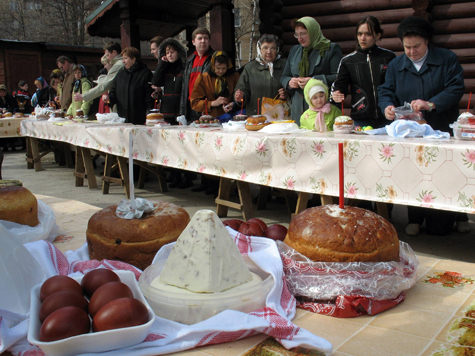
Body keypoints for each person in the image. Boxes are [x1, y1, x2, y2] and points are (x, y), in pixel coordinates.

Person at [378, 16, 468, 236]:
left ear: (427, 41)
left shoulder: (446, 59)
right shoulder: (397, 65)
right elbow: (385, 90)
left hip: (441, 128)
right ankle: (415, 217)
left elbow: (456, 88)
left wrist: (430, 103)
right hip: (412, 132)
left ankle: (457, 215)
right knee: (414, 171)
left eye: (416, 46)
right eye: (407, 47)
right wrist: (387, 106)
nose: (411, 51)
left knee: (446, 173)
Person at [331, 16, 396, 128]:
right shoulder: (348, 61)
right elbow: (339, 86)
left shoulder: (389, 57)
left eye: (368, 34)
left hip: (388, 117)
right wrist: (336, 94)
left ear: (378, 35)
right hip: (361, 119)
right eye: (360, 34)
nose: (363, 38)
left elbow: (396, 85)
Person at [281, 16, 342, 125]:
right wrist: (290, 82)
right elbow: (284, 76)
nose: (300, 38)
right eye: (297, 34)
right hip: (298, 110)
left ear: (313, 31)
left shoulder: (330, 49)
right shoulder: (295, 51)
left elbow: (338, 76)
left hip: (323, 110)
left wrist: (314, 81)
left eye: (303, 33)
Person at [234, 34, 288, 116]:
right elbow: (242, 90)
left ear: (277, 50)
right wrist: (240, 96)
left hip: (279, 117)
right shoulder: (250, 68)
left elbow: (293, 88)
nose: (268, 51)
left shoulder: (285, 66)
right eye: (265, 48)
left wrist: (287, 93)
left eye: (272, 48)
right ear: (259, 50)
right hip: (255, 116)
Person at [104, 47, 153, 125]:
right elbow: (114, 91)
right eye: (123, 59)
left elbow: (149, 97)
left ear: (133, 59)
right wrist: (109, 98)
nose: (123, 61)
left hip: (139, 118)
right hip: (122, 118)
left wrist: (148, 114)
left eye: (125, 58)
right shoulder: (121, 74)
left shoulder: (145, 74)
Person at [73, 42, 124, 113]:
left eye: (108, 55)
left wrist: (83, 96)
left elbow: (104, 86)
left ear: (114, 52)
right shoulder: (118, 64)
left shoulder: (118, 65)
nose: (108, 58)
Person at [190, 51, 240, 118]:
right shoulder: (204, 78)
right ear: (213, 66)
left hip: (231, 117)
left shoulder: (234, 77)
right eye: (218, 68)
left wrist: (233, 104)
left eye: (224, 68)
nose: (221, 71)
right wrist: (212, 103)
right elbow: (194, 103)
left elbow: (241, 96)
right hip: (211, 119)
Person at [180, 28, 214, 123]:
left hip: (206, 108)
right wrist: (182, 113)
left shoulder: (215, 59)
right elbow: (184, 88)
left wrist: (207, 106)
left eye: (205, 38)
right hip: (190, 107)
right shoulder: (189, 61)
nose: (203, 41)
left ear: (209, 41)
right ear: (193, 42)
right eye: (200, 38)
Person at [152, 38, 186, 124]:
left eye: (172, 52)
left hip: (181, 111)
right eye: (167, 53)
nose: (170, 55)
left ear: (178, 53)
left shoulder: (184, 68)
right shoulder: (164, 68)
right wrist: (162, 64)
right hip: (167, 111)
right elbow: (156, 82)